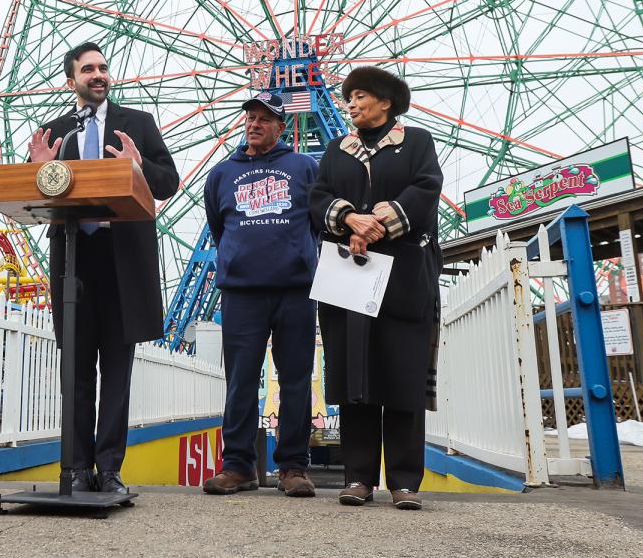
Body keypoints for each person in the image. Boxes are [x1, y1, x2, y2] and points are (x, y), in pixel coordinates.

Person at [28, 42, 180, 493]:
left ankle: (109, 467)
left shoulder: (138, 123)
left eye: (103, 67)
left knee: (117, 371)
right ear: (71, 80)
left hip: (122, 259)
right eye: (88, 69)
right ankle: (76, 467)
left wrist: (139, 165)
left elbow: (168, 182)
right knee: (74, 369)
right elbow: (34, 193)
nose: (98, 74)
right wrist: (39, 169)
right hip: (74, 257)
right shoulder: (57, 131)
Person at [308, 67, 443, 510]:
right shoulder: (337, 150)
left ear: (386, 102)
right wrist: (349, 219)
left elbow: (426, 189)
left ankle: (404, 481)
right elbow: (318, 197)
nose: (351, 103)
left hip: (404, 275)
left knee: (403, 374)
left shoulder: (417, 142)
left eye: (360, 95)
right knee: (355, 375)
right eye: (349, 97)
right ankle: (358, 478)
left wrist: (377, 224)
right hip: (351, 273)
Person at [201, 92, 320, 497]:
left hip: (296, 290)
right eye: (250, 117)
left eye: (264, 119)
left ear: (280, 127)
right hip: (242, 291)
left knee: (297, 379)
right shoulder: (221, 174)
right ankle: (238, 466)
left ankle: (293, 467)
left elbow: (318, 222)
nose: (254, 124)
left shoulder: (304, 167)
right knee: (240, 381)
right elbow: (219, 227)